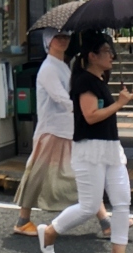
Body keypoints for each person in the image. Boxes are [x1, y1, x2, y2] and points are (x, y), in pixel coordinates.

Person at [38, 31, 133, 253]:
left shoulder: (99, 80)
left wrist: (118, 100)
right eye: (107, 52)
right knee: (89, 206)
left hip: (110, 147)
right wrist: (119, 104)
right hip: (90, 149)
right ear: (92, 56)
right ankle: (50, 231)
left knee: (122, 200)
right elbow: (90, 116)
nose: (112, 57)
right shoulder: (84, 81)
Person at [11, 29, 112, 238]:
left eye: (66, 36)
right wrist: (83, 108)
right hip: (53, 131)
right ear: (49, 41)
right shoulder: (49, 68)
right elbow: (61, 98)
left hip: (64, 129)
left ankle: (105, 222)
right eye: (58, 37)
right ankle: (105, 222)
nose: (64, 40)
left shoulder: (63, 65)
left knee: (78, 174)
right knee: (39, 175)